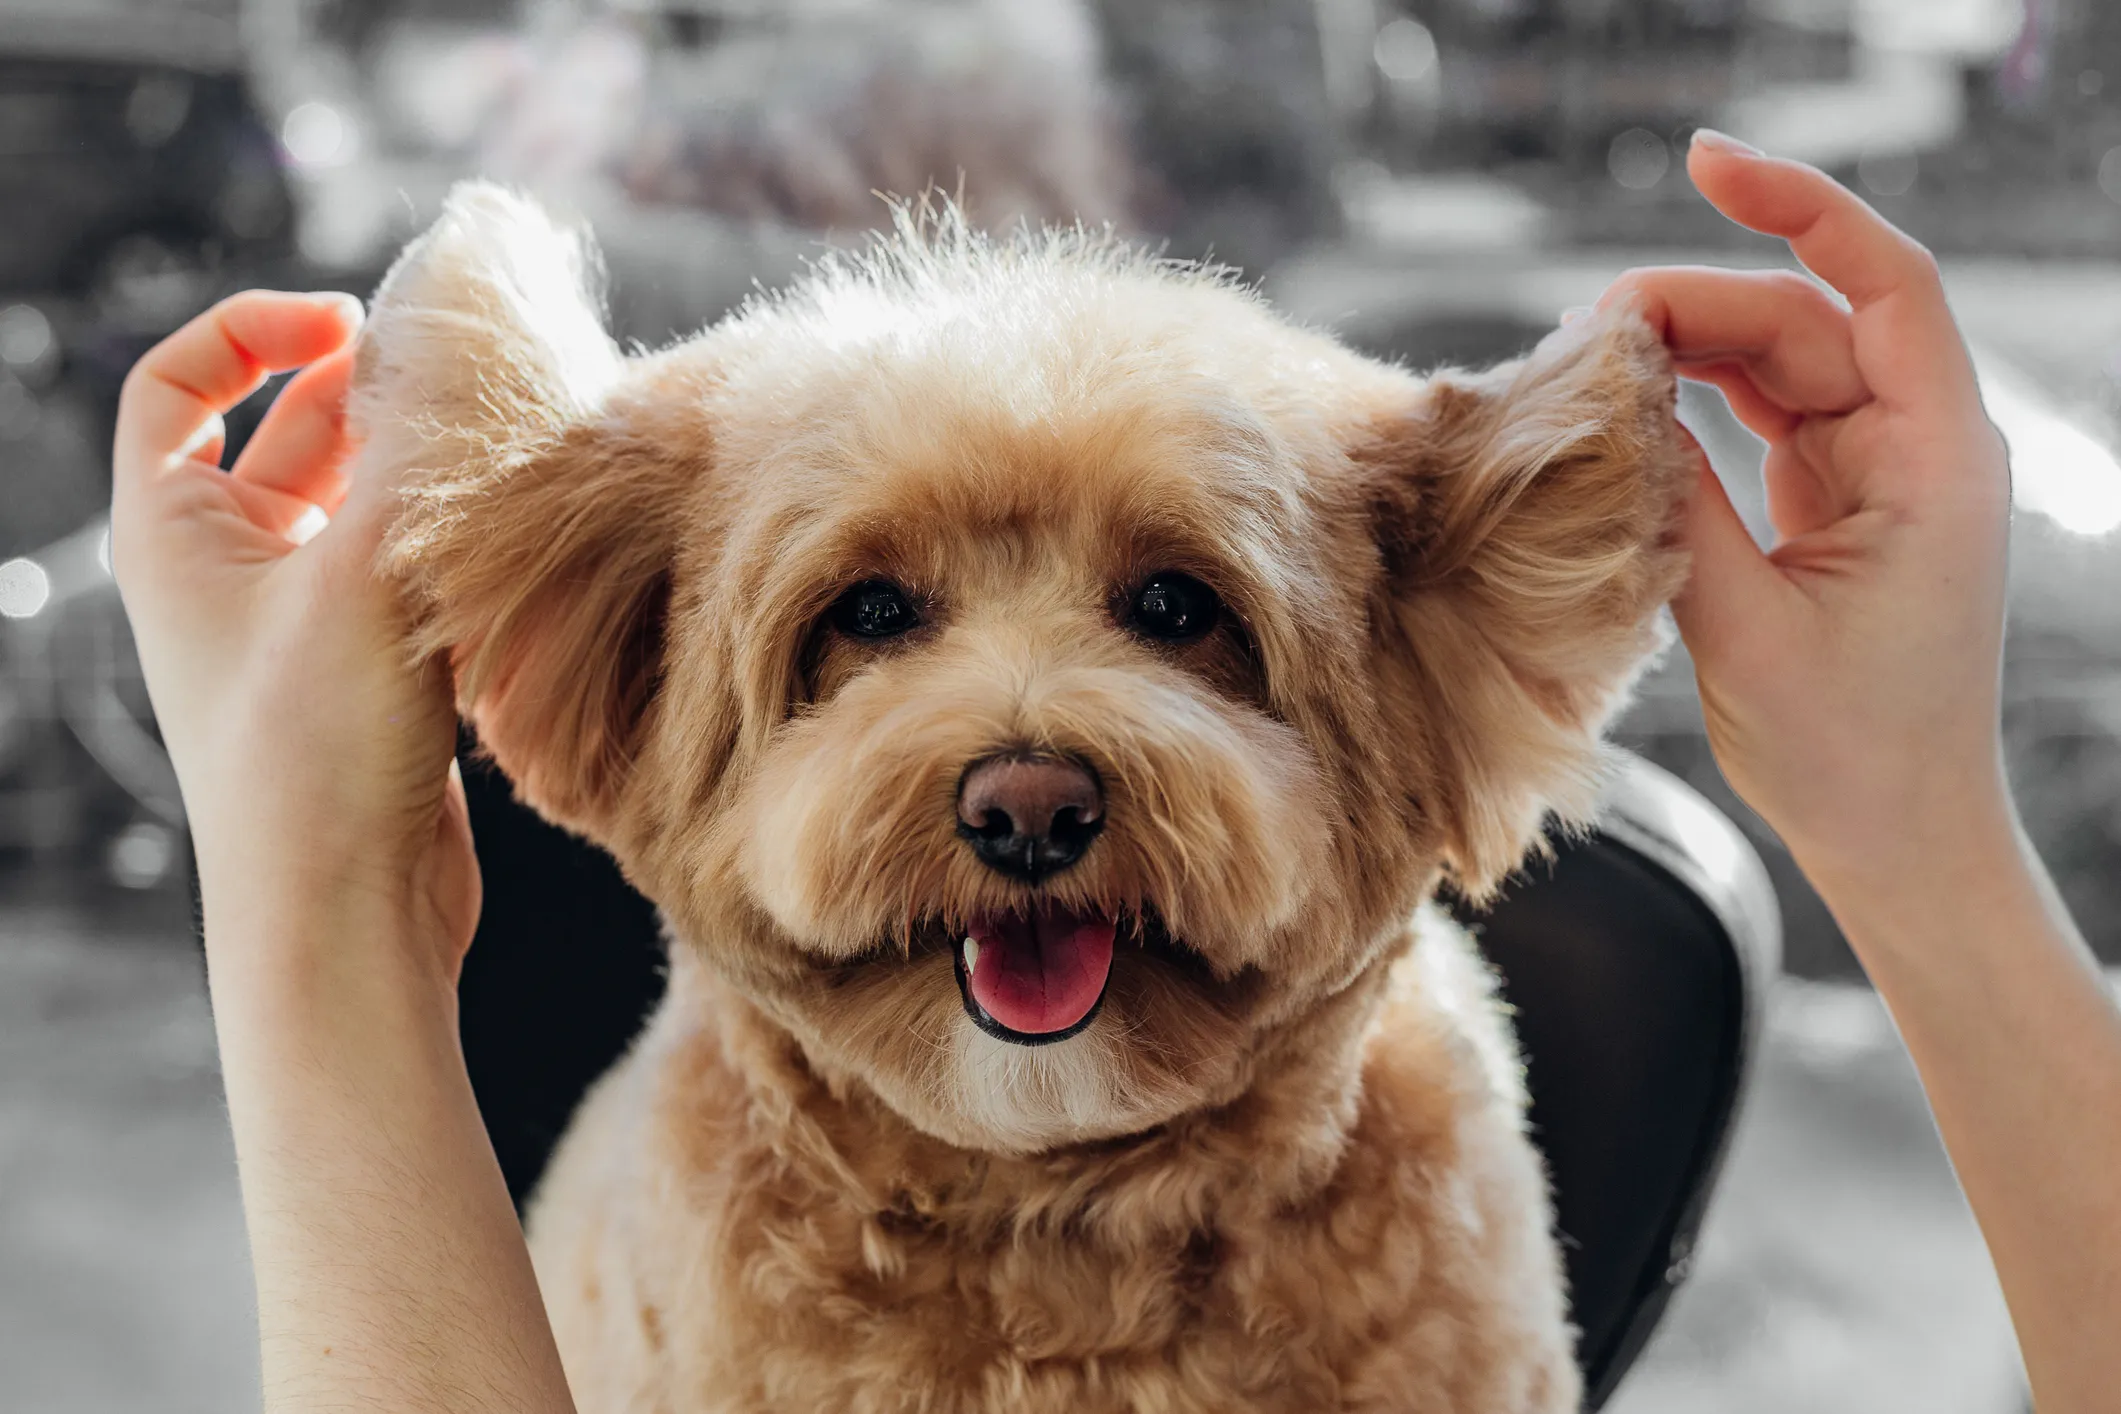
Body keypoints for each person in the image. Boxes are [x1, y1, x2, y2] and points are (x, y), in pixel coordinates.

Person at [111, 133, 2121, 1412]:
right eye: (869, 620)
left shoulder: (1436, 1251)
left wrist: (305, 885)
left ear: (1412, 690)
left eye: (1177, 612)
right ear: (627, 682)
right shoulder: (677, 1258)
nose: (1027, 770)